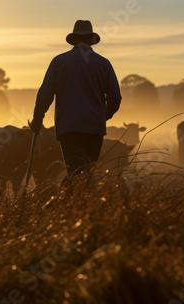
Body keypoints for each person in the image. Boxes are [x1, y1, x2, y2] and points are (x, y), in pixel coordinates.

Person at [29, 19, 122, 184]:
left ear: (74, 39)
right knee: (87, 172)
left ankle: (67, 203)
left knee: (78, 173)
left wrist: (37, 119)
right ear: (91, 39)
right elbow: (115, 98)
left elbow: (45, 94)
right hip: (95, 128)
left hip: (69, 127)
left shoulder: (59, 62)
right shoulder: (103, 64)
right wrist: (104, 116)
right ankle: (81, 206)